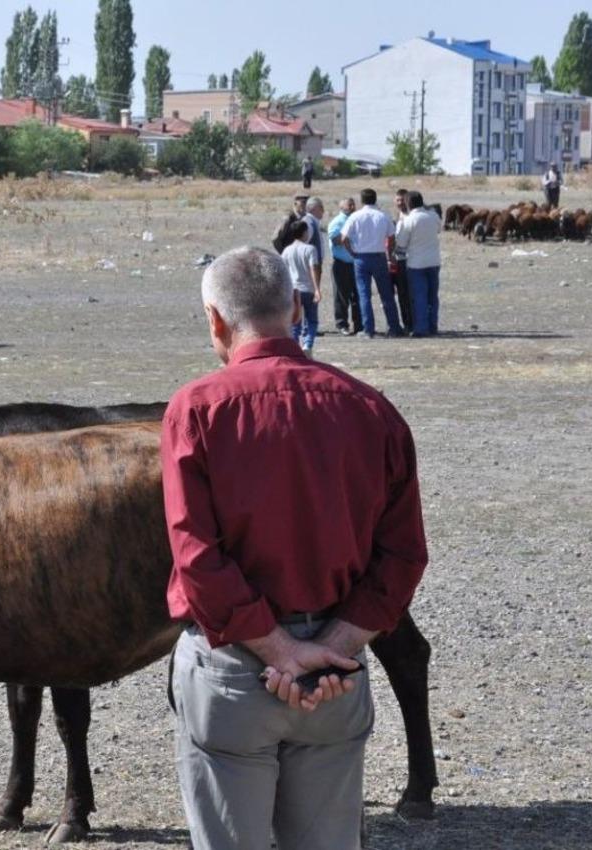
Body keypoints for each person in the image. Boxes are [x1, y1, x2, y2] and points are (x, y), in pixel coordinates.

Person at [163, 246, 428, 850]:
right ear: (295, 305)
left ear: (215, 320)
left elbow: (197, 558)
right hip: (335, 676)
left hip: (232, 672)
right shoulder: (371, 408)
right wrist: (332, 647)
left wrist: (279, 650)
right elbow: (404, 555)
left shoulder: (196, 410)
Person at [341, 188, 401, 338]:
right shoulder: (383, 215)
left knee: (364, 294)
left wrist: (352, 252)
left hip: (361, 257)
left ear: (361, 200)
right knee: (386, 293)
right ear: (375, 199)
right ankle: (393, 327)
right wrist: (390, 252)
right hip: (379, 256)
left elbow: (343, 238)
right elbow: (392, 236)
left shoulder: (355, 216)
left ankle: (368, 329)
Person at [395, 191, 442, 337]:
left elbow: (401, 243)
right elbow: (439, 230)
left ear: (408, 203)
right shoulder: (434, 216)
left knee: (419, 296)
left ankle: (421, 328)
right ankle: (432, 326)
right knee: (432, 296)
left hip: (416, 263)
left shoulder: (409, 220)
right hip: (434, 261)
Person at [282, 221, 321, 355]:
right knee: (312, 320)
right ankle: (307, 345)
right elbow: (313, 268)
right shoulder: (310, 249)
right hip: (308, 288)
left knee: (295, 322)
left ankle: (294, 347)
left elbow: (284, 271)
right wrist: (317, 289)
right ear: (304, 232)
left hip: (293, 290)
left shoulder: (287, 250)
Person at [329, 197, 361, 335]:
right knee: (341, 295)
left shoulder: (357, 220)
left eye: (353, 204)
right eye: (349, 205)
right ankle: (342, 324)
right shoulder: (337, 222)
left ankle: (359, 325)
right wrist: (346, 235)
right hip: (341, 264)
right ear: (342, 207)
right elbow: (335, 240)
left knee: (358, 295)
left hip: (356, 263)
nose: (353, 207)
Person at [387, 189, 414, 335]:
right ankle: (405, 324)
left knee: (408, 295)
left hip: (408, 261)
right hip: (397, 261)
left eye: (402, 200)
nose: (400, 203)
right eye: (397, 200)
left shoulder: (412, 216)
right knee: (401, 295)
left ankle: (411, 324)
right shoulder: (398, 217)